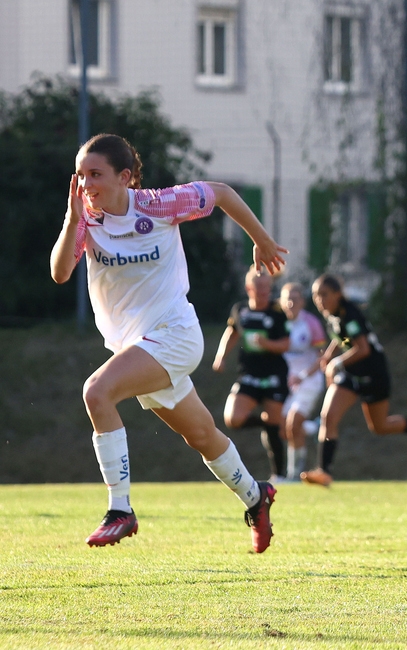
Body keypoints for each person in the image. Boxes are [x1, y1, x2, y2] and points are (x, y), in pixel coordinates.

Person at [50, 133, 286, 552]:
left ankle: (119, 510)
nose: (85, 184)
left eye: (95, 174)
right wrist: (71, 221)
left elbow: (222, 193)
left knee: (97, 392)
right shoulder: (85, 218)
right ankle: (256, 496)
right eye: (81, 174)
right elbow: (60, 273)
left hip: (175, 334)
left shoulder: (158, 204)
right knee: (201, 435)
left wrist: (261, 240)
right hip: (138, 347)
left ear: (125, 177)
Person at [300, 274, 407, 487]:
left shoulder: (350, 313)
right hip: (350, 373)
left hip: (374, 372)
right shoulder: (333, 315)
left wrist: (336, 363)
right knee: (328, 416)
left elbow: (362, 348)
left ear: (338, 294)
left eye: (324, 294)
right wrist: (329, 354)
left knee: (380, 426)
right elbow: (342, 338)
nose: (320, 300)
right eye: (316, 296)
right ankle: (324, 471)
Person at [212, 267, 291, 483]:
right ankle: (266, 423)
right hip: (249, 375)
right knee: (233, 419)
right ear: (249, 288)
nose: (264, 291)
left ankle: (280, 474)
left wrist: (267, 344)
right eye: (259, 287)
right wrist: (221, 357)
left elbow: (286, 343)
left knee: (275, 424)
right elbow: (232, 332)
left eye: (267, 287)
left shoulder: (277, 312)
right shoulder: (240, 310)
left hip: (274, 374)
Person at [280, 282, 327, 481]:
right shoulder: (277, 322)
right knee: (284, 428)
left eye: (295, 298)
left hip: (309, 380)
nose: (291, 303)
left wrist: (304, 375)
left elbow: (322, 357)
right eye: (287, 298)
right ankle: (313, 427)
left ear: (302, 302)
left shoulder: (311, 323)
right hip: (288, 383)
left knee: (293, 423)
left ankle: (294, 475)